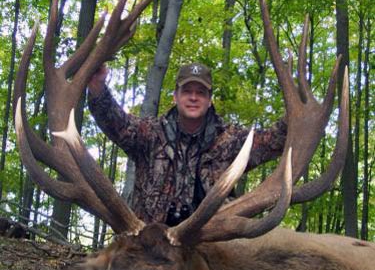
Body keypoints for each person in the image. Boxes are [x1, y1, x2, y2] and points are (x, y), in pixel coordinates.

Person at [88, 63, 287, 226]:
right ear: (175, 96)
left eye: (200, 92)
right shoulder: (149, 134)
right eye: (187, 91)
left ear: (209, 100)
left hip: (209, 245)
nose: (193, 97)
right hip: (152, 243)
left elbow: (273, 140)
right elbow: (116, 122)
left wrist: (295, 117)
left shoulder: (231, 140)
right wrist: (97, 86)